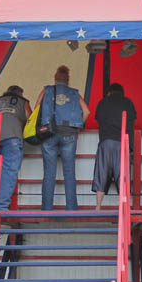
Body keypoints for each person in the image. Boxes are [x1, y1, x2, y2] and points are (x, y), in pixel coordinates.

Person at [37, 66, 90, 211]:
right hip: (69, 133)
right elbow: (86, 111)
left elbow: (36, 109)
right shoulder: (74, 93)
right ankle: (71, 208)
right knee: (69, 172)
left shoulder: (46, 90)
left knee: (49, 173)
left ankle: (47, 209)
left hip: (49, 133)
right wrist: (78, 126)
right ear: (68, 80)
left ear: (55, 78)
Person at [0, 85, 32, 211]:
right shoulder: (23, 102)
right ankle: (1, 208)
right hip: (12, 137)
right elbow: (31, 120)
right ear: (20, 93)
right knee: (8, 173)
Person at [92, 82, 136, 210]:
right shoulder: (128, 102)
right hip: (123, 142)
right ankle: (123, 208)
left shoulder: (103, 102)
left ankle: (98, 206)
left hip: (106, 142)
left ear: (109, 92)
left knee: (101, 173)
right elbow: (133, 118)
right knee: (122, 175)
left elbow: (98, 118)